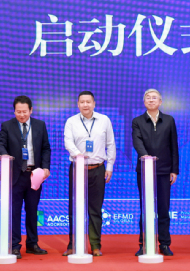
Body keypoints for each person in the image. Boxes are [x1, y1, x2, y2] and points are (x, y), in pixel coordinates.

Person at [0, 95, 51, 259]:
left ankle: (33, 244)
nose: (21, 115)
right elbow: (0, 145)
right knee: (15, 212)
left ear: (31, 110)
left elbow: (46, 148)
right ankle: (14, 245)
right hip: (15, 176)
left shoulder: (40, 125)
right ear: (14, 111)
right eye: (18, 112)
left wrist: (46, 167)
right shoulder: (7, 126)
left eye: (24, 111)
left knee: (33, 211)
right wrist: (4, 155)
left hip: (34, 175)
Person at [62, 91, 115, 257]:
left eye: (88, 102)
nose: (85, 105)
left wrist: (110, 166)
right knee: (74, 209)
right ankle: (73, 244)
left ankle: (95, 245)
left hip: (98, 169)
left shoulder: (104, 120)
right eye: (82, 102)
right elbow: (68, 141)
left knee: (95, 209)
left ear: (94, 104)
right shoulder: (71, 121)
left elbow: (111, 144)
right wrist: (78, 155)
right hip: (77, 168)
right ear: (78, 104)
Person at [131, 88, 179, 257]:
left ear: (160, 102)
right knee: (145, 208)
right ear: (144, 102)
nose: (151, 100)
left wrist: (174, 170)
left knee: (164, 208)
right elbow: (137, 141)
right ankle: (144, 243)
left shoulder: (169, 120)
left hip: (164, 171)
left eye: (154, 98)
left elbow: (174, 146)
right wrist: (145, 157)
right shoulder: (137, 121)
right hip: (144, 171)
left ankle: (164, 244)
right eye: (148, 98)